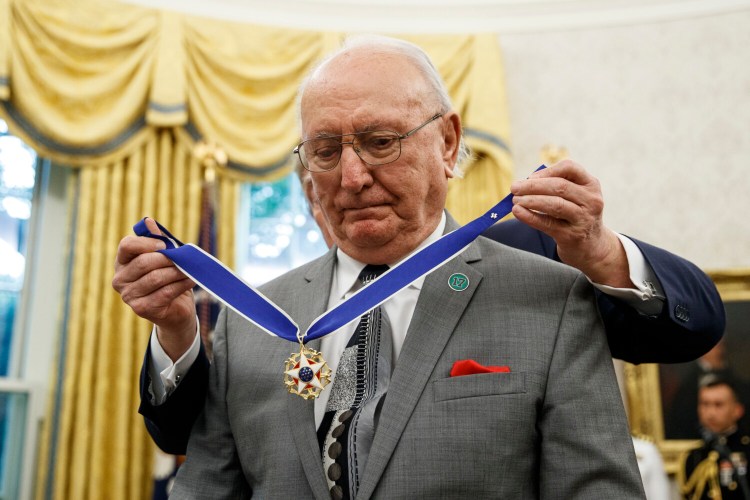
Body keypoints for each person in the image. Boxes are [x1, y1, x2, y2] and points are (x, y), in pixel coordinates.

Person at [113, 35, 646, 498]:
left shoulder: (549, 301)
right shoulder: (250, 320)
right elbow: (208, 488)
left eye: (380, 142)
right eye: (325, 150)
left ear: (448, 141)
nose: (351, 177)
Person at [681, 376, 750, 499]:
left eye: (718, 405)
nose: (710, 413)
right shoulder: (693, 456)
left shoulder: (746, 449)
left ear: (737, 410)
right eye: (705, 404)